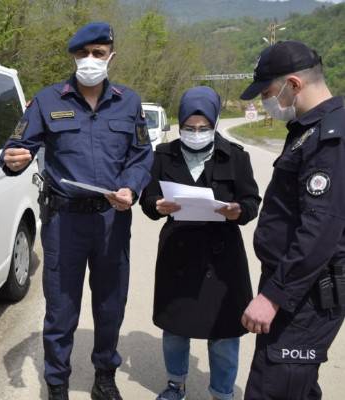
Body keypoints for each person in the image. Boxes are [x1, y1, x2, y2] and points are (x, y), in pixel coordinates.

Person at [0, 22, 153, 400]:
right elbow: (16, 146)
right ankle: (57, 383)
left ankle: (104, 377)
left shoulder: (129, 102)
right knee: (61, 308)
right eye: (83, 54)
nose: (90, 61)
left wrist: (131, 186)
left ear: (111, 56)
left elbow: (141, 154)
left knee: (110, 304)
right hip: (63, 221)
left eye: (98, 53)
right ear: (73, 56)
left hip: (111, 221)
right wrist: (12, 158)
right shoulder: (48, 100)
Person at [239, 40, 345, 399]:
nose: (266, 101)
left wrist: (273, 296)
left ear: (294, 85)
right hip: (296, 286)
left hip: (306, 292)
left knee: (274, 388)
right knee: (295, 386)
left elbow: (322, 229)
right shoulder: (310, 128)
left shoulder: (331, 137)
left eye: (268, 92)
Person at [140, 86, 261, 400]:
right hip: (177, 254)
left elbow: (251, 201)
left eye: (203, 128)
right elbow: (148, 198)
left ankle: (222, 393)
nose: (196, 134)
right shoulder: (162, 155)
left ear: (215, 123)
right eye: (189, 128)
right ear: (180, 124)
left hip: (221, 258)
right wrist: (156, 205)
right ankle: (175, 385)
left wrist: (238, 211)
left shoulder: (236, 156)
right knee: (175, 326)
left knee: (224, 332)